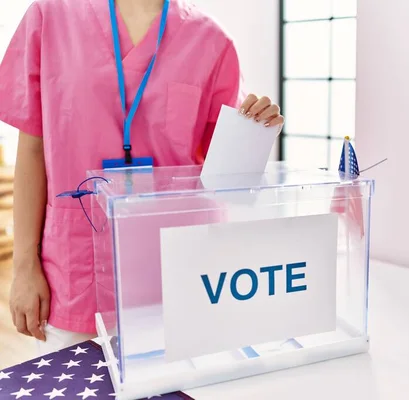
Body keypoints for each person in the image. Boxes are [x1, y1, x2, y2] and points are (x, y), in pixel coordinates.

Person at [0, 0, 284, 354]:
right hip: (76, 276)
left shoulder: (212, 41)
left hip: (178, 272)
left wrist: (254, 132)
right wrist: (24, 268)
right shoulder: (50, 15)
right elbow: (31, 150)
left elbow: (221, 177)